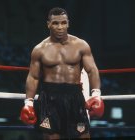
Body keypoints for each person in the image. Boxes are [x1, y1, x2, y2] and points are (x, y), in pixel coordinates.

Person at [20, 7, 104, 139]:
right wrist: (28, 103)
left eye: (63, 23)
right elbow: (33, 77)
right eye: (55, 23)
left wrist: (96, 95)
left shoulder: (81, 45)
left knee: (84, 137)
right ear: (48, 24)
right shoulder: (39, 49)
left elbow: (92, 70)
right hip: (49, 99)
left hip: (75, 96)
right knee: (52, 137)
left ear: (68, 23)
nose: (60, 27)